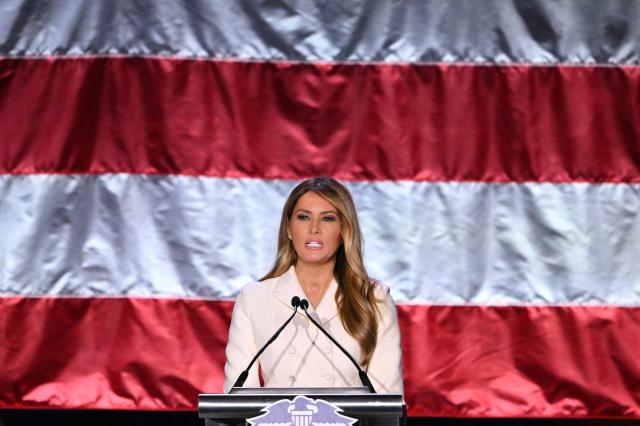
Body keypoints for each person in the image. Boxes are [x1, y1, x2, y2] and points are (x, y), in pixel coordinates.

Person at [223, 177, 403, 393]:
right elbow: (239, 399)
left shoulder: (373, 297)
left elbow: (386, 400)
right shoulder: (254, 298)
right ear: (289, 229)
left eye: (327, 219)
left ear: (344, 232)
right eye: (303, 217)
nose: (314, 228)